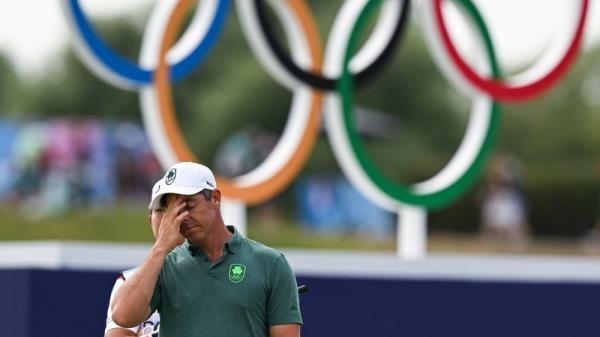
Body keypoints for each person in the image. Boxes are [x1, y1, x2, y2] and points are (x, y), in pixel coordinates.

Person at [111, 162, 302, 337]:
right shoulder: (164, 266)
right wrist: (161, 246)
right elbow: (122, 315)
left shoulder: (270, 263)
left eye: (190, 206)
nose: (183, 217)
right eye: (174, 211)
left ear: (215, 198)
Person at [104, 180, 184, 337]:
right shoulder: (129, 280)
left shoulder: (216, 271)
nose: (169, 218)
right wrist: (162, 245)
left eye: (176, 210)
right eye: (162, 210)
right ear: (150, 221)